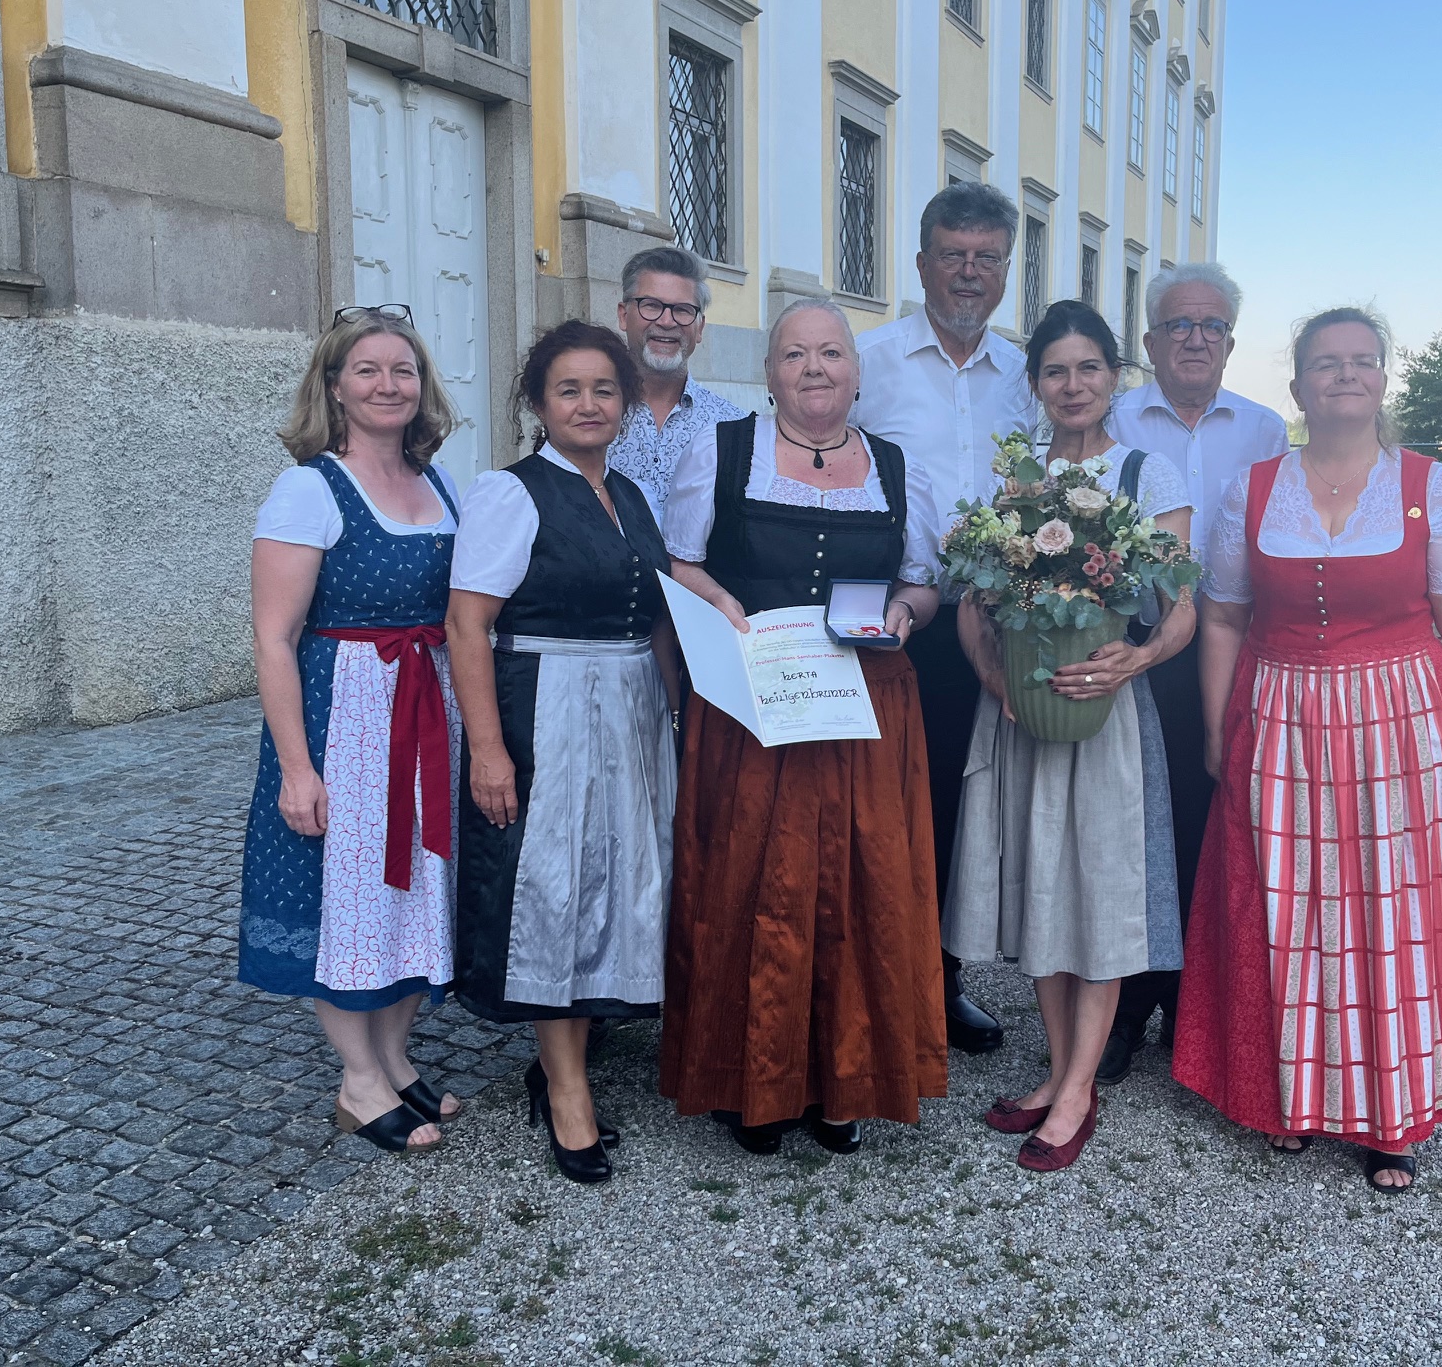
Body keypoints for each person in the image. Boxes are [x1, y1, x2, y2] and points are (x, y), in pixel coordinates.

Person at [1172, 307, 1442, 1194]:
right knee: (1292, 908)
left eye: (1361, 361)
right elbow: (1224, 618)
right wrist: (1216, 730)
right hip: (1279, 716)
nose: (1345, 375)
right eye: (1326, 363)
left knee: (1391, 914)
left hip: (1401, 722)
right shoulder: (1256, 487)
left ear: (1383, 378)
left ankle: (1393, 1114)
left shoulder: (1433, 486)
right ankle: (1294, 1098)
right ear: (1299, 386)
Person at [659, 299, 946, 1155]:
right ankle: (752, 1083)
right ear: (770, 371)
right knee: (749, 885)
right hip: (753, 702)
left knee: (862, 891)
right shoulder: (720, 452)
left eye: (830, 353)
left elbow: (924, 582)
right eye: (795, 354)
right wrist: (725, 610)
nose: (814, 369)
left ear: (857, 372)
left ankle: (845, 1080)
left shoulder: (898, 468)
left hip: (866, 707)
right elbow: (683, 564)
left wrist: (903, 611)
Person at [945, 301, 1195, 1172]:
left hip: (1105, 717)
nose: (1073, 384)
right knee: (1042, 890)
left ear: (1114, 376)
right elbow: (975, 609)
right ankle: (1058, 1071)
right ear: (1036, 384)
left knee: (1102, 891)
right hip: (1024, 714)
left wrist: (1132, 661)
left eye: (1089, 368)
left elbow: (1182, 612)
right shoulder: (1011, 483)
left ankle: (1082, 1088)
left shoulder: (1146, 476)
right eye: (1056, 370)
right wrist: (993, 681)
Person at [444, 320, 679, 1186]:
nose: (589, 404)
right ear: (539, 404)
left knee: (611, 880)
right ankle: (568, 1089)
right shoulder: (511, 494)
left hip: (630, 709)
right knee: (553, 886)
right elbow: (467, 625)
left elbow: (654, 620)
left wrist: (678, 713)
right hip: (547, 704)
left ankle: (566, 1060)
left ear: (625, 404)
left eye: (604, 390)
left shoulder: (634, 495)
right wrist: (489, 751)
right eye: (569, 390)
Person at [239, 304, 465, 1155]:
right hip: (348, 717)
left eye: (401, 370)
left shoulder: (440, 484)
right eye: (366, 370)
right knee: (351, 898)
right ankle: (358, 1080)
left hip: (426, 708)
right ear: (333, 385)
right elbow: (273, 639)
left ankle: (397, 1059)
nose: (387, 384)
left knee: (415, 889)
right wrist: (298, 769)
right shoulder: (309, 487)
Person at [853, 183, 1039, 1055]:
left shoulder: (1025, 379)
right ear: (921, 260)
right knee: (893, 805)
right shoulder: (870, 362)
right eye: (954, 255)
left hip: (999, 619)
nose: (970, 272)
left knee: (974, 809)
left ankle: (944, 975)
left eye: (987, 258)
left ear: (1007, 269)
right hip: (899, 620)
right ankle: (882, 978)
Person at [1100, 262, 1290, 1083]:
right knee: (1135, 826)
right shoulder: (1113, 417)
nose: (1195, 338)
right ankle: (1123, 1004)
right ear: (1149, 340)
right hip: (1135, 645)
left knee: (1211, 824)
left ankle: (1194, 1003)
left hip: (1233, 654)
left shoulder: (1264, 430)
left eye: (1211, 326)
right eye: (1179, 324)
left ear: (1230, 343)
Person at [607, 245, 748, 513]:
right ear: (624, 315)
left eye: (682, 310)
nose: (667, 321)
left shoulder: (731, 428)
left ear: (700, 327)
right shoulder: (590, 415)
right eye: (651, 305)